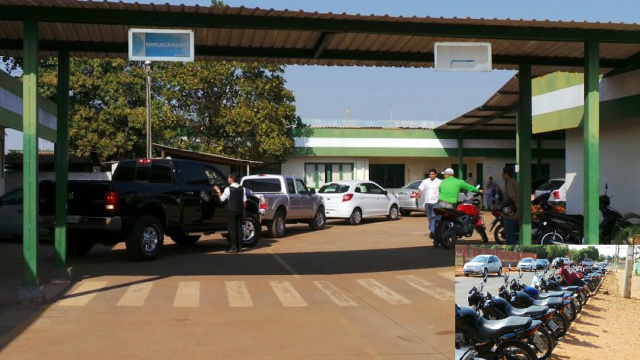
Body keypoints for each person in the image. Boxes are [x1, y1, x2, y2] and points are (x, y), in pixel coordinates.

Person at [213, 172, 247, 254]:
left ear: (232, 179)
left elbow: (222, 199)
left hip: (231, 211)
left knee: (232, 229)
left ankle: (233, 247)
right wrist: (244, 210)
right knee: (239, 228)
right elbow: (244, 201)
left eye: (229, 178)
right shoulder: (242, 188)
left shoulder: (228, 189)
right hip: (239, 210)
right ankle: (240, 247)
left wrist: (218, 191)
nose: (228, 179)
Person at [417, 168, 441, 239]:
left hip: (435, 202)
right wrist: (418, 195)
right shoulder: (425, 181)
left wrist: (440, 199)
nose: (431, 175)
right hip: (427, 202)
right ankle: (432, 229)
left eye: (432, 174)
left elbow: (442, 191)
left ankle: (433, 232)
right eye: (430, 174)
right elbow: (421, 189)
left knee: (434, 217)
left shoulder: (439, 182)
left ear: (436, 174)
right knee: (429, 217)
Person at [501, 166, 520, 245]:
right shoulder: (516, 182)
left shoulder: (509, 183)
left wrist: (504, 206)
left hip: (510, 215)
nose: (502, 175)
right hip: (517, 214)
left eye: (503, 174)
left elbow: (513, 197)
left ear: (506, 174)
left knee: (510, 237)